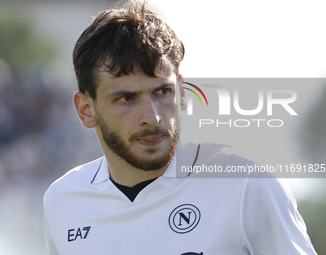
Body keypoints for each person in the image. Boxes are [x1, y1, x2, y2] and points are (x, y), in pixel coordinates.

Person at [43, 1, 317, 254]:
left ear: (182, 93)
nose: (152, 118)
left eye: (162, 92)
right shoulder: (62, 200)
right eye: (126, 98)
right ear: (86, 110)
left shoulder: (245, 183)